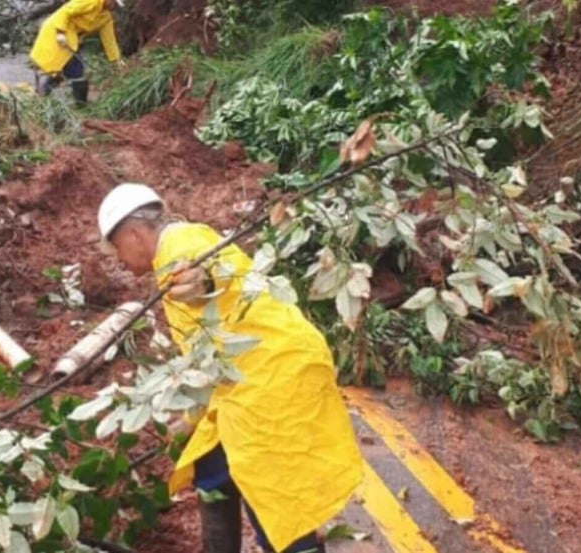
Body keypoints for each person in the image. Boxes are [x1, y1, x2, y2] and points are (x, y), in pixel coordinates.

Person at [96, 183, 364, 553]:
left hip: (272, 380)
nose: (119, 260)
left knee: (272, 494)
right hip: (257, 375)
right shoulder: (184, 243)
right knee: (211, 469)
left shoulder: (180, 248)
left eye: (116, 249)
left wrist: (199, 279)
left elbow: (205, 271)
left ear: (133, 233)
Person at [29, 0, 124, 106]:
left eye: (116, 5)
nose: (113, 6)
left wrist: (116, 59)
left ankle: (80, 104)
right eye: (113, 3)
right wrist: (60, 32)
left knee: (76, 71)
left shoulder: (105, 18)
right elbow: (65, 11)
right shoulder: (91, 2)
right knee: (49, 66)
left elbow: (109, 40)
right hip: (56, 31)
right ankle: (41, 100)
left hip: (71, 38)